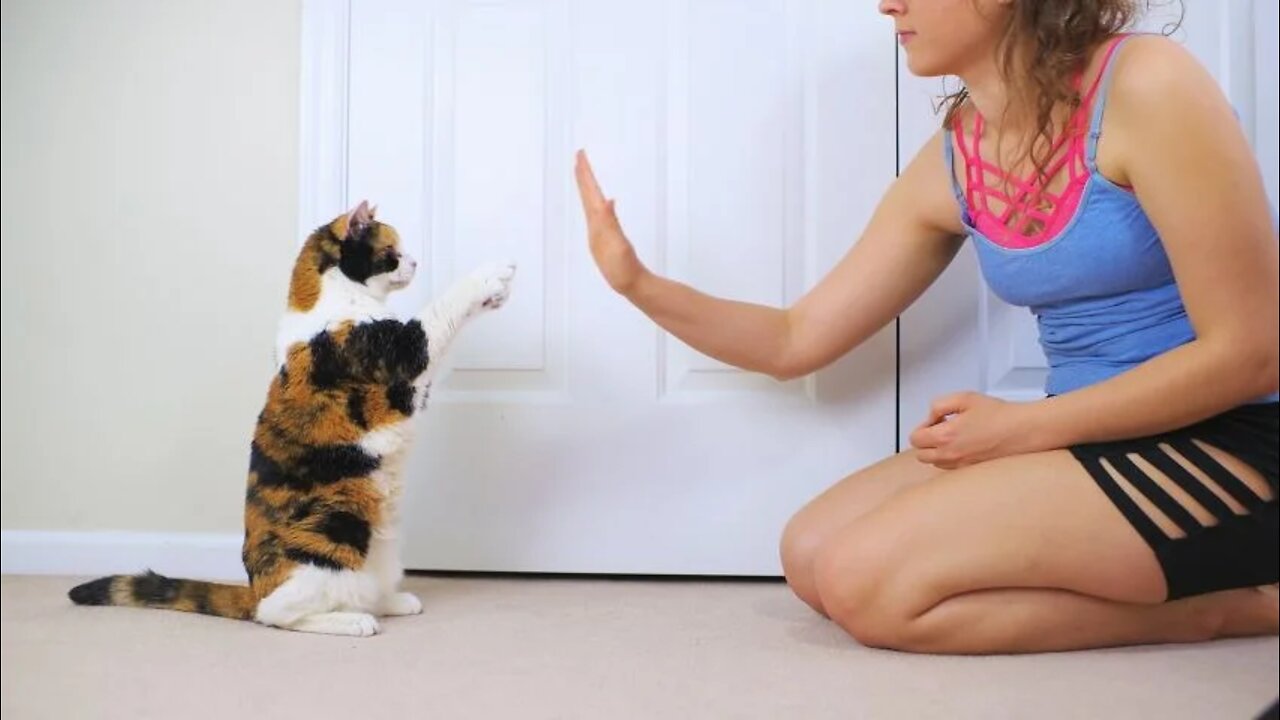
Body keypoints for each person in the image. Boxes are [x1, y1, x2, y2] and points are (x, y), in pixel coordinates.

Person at [573, 0, 1279, 655]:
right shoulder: (960, 150)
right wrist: (639, 284)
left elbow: (1253, 353)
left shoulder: (1147, 84)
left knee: (866, 583)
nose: (887, 3)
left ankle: (1233, 607)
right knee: (811, 554)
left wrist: (1025, 429)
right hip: (1092, 434)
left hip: (1237, 438)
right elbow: (795, 339)